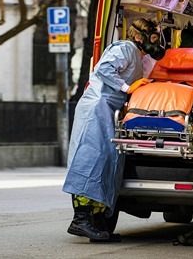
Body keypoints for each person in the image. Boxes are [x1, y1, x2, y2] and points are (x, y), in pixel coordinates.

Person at [62, 18, 166, 242]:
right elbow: (103, 70)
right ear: (139, 36)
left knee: (108, 162)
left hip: (109, 110)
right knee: (90, 159)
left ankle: (97, 223)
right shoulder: (125, 48)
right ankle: (80, 220)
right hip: (97, 108)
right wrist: (127, 87)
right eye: (153, 35)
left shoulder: (138, 58)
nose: (156, 41)